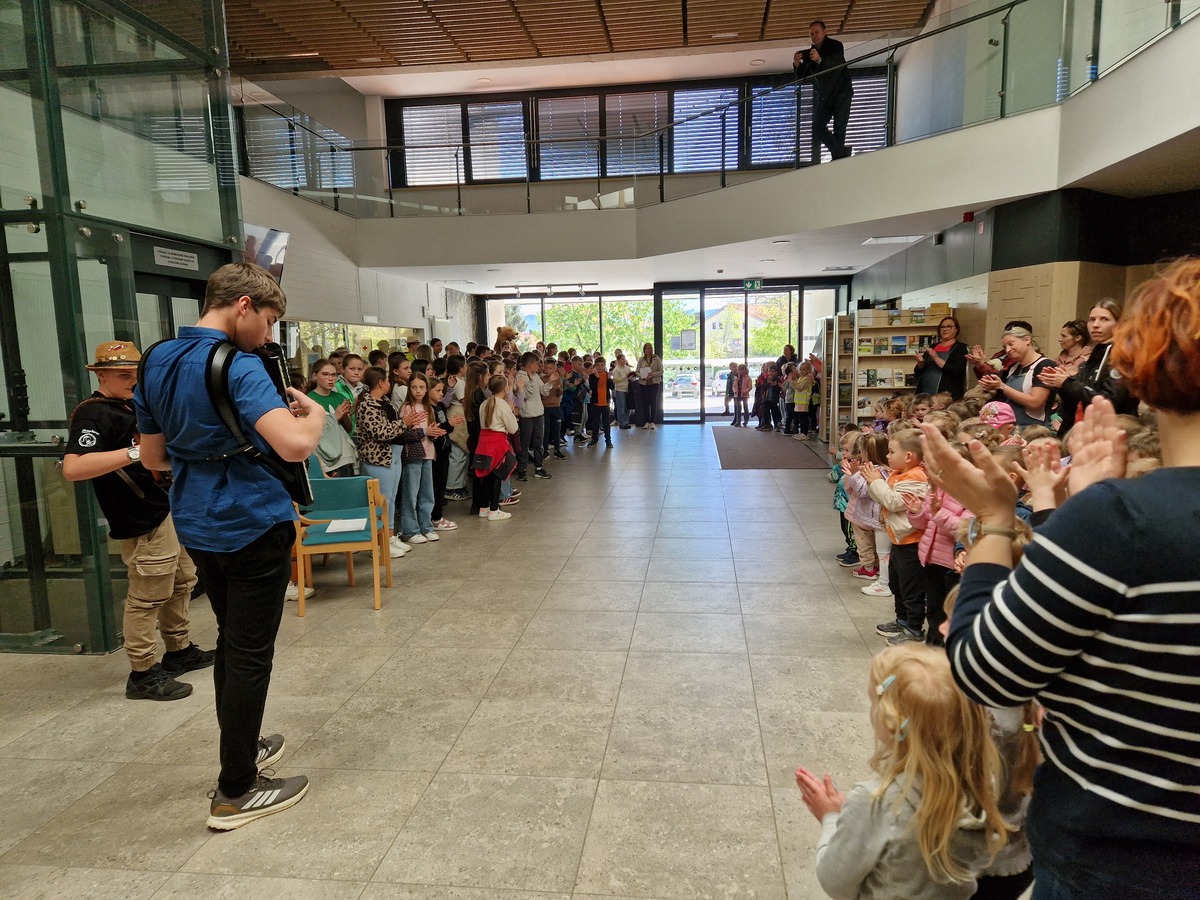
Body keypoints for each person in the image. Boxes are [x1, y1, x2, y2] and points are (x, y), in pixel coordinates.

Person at [920, 257, 1200, 899]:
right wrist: (1061, 516)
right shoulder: (1114, 518)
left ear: (1149, 367)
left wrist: (997, 522)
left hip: (1124, 859)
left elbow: (986, 669)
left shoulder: (1126, 519)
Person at [134, 262, 324, 830]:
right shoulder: (239, 365)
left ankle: (241, 747)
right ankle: (236, 788)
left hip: (197, 522)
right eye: (268, 321)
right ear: (243, 305)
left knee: (231, 643)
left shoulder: (155, 359)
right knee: (249, 655)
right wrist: (315, 415)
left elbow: (153, 457)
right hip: (252, 521)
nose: (267, 336)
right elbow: (294, 446)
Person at [64, 340, 213, 702]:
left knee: (181, 581)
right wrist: (135, 452)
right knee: (147, 595)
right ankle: (142, 673)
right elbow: (73, 467)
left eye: (136, 374)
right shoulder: (94, 415)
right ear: (101, 376)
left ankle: (178, 650)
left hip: (164, 506)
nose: (132, 381)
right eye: (122, 375)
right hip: (139, 516)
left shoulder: (132, 406)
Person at [795, 644, 1007, 899]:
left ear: (891, 724)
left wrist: (831, 816)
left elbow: (836, 883)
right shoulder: (983, 783)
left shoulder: (877, 802)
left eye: (873, 702)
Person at [865, 430, 930, 643]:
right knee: (897, 584)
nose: (887, 456)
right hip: (898, 540)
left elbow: (893, 502)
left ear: (908, 456)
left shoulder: (916, 477)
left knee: (911, 588)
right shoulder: (899, 473)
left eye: (892, 452)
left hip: (912, 542)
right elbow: (882, 498)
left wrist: (877, 482)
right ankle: (901, 620)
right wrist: (873, 482)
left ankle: (914, 628)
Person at [1039, 298, 1138, 436]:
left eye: (1104, 319)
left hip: (1115, 431)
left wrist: (1068, 383)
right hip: (1087, 429)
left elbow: (1110, 402)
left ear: (1119, 324)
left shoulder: (1123, 355)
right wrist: (1061, 380)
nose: (1095, 325)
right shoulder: (1096, 353)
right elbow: (1081, 395)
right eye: (1091, 320)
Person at [354, 366, 421, 559]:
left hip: (393, 453)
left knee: (391, 498)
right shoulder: (367, 405)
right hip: (378, 457)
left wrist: (407, 422)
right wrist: (404, 423)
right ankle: (378, 543)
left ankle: (390, 536)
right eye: (388, 380)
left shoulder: (385, 401)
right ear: (381, 382)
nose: (390, 383)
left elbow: (394, 425)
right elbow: (381, 432)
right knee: (381, 499)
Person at [793, 20, 853, 161]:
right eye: (811, 34)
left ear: (824, 32)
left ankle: (838, 159)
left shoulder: (836, 46)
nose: (814, 36)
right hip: (824, 96)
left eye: (816, 32)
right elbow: (803, 78)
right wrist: (796, 65)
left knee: (839, 128)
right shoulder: (810, 54)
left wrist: (820, 60)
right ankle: (841, 153)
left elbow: (836, 68)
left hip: (841, 93)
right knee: (817, 126)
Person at [397, 373, 445, 544]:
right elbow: (403, 433)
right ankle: (410, 530)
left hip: (428, 453)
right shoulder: (407, 408)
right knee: (411, 493)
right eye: (414, 387)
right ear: (409, 389)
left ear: (426, 389)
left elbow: (430, 431)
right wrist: (425, 432)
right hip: (413, 455)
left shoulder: (428, 407)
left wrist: (435, 433)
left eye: (422, 387)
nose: (418, 391)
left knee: (427, 493)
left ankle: (427, 527)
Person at [977, 327, 1055, 427]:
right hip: (1010, 427)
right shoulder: (1013, 367)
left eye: (1011, 344)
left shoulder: (1044, 365)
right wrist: (991, 386)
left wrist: (1002, 386)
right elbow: (1003, 392)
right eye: (1005, 347)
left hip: (1033, 428)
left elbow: (1035, 402)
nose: (1007, 350)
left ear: (1027, 340)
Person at [475, 374, 519, 521]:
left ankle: (484, 507)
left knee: (486, 475)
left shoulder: (484, 403)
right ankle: (494, 509)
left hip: (484, 441)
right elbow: (513, 428)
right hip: (497, 442)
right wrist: (511, 411)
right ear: (505, 388)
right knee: (497, 475)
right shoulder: (503, 405)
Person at [514, 351, 551, 481]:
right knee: (524, 444)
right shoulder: (520, 376)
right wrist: (529, 381)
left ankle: (539, 468)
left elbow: (543, 392)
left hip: (538, 414)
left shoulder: (535, 376)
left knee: (538, 443)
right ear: (530, 365)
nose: (538, 367)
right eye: (536, 364)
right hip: (527, 416)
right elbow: (524, 396)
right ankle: (522, 469)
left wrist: (550, 383)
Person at [913, 316, 969, 400]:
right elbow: (917, 373)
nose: (945, 329)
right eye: (942, 327)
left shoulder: (960, 348)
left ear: (956, 329)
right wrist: (921, 363)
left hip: (946, 396)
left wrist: (936, 358)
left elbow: (957, 372)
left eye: (949, 327)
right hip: (925, 393)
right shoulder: (933, 346)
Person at [587, 356, 614, 448]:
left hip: (605, 403)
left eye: (602, 365)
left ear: (604, 366)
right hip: (596, 402)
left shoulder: (606, 375)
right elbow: (592, 387)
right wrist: (597, 378)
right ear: (595, 365)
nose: (599, 367)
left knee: (606, 422)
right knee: (596, 422)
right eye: (598, 365)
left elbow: (612, 387)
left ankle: (608, 440)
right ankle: (594, 440)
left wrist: (609, 379)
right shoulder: (592, 376)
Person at [636, 343, 662, 428]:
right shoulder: (641, 360)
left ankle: (653, 422)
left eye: (649, 348)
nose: (647, 350)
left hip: (654, 383)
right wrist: (642, 376)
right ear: (644, 350)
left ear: (651, 349)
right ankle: (646, 421)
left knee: (653, 402)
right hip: (644, 384)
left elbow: (661, 371)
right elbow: (637, 371)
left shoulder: (656, 358)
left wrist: (653, 374)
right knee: (645, 403)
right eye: (646, 348)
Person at [611, 352, 633, 429]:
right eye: (622, 359)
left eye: (624, 359)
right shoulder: (616, 370)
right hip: (620, 390)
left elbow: (630, 378)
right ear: (618, 360)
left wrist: (631, 377)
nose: (624, 360)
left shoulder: (627, 368)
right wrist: (625, 376)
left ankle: (626, 422)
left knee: (627, 407)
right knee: (621, 407)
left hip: (627, 389)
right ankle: (621, 423)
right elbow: (616, 380)